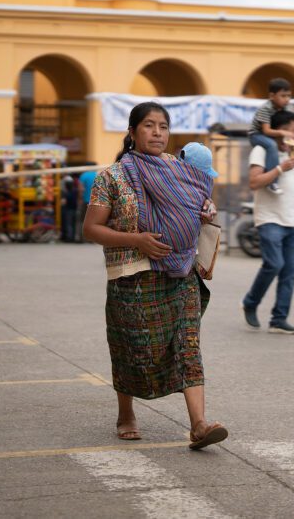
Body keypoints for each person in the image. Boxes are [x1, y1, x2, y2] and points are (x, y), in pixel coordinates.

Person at [82, 101, 227, 450]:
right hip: (133, 276)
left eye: (163, 126)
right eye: (149, 125)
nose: (157, 132)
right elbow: (91, 228)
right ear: (132, 133)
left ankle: (199, 425)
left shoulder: (182, 170)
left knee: (187, 344)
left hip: (180, 273)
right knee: (131, 348)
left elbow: (198, 204)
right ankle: (126, 414)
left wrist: (206, 210)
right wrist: (137, 240)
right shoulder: (112, 177)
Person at [242, 109, 294, 334]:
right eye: (293, 129)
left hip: (293, 221)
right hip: (269, 219)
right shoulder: (261, 150)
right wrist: (280, 168)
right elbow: (254, 182)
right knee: (274, 264)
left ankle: (279, 319)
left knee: (289, 271)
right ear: (279, 130)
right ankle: (250, 302)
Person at [248, 78, 294, 194]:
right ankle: (273, 183)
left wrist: (291, 135)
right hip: (257, 134)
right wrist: (283, 133)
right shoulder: (265, 109)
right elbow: (266, 131)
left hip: (271, 134)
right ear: (272, 96)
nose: (287, 99)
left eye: (289, 96)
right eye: (283, 96)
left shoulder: (285, 108)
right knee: (271, 145)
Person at [76, 163, 98, 243]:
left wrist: (79, 199)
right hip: (96, 202)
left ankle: (82, 238)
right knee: (94, 221)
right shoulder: (97, 174)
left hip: (85, 201)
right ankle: (92, 239)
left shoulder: (84, 175)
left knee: (83, 220)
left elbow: (81, 189)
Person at [60, 174, 79, 242]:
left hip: (68, 210)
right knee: (73, 224)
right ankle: (73, 237)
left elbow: (63, 202)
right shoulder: (75, 191)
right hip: (75, 209)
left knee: (68, 224)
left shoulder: (66, 193)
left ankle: (69, 237)